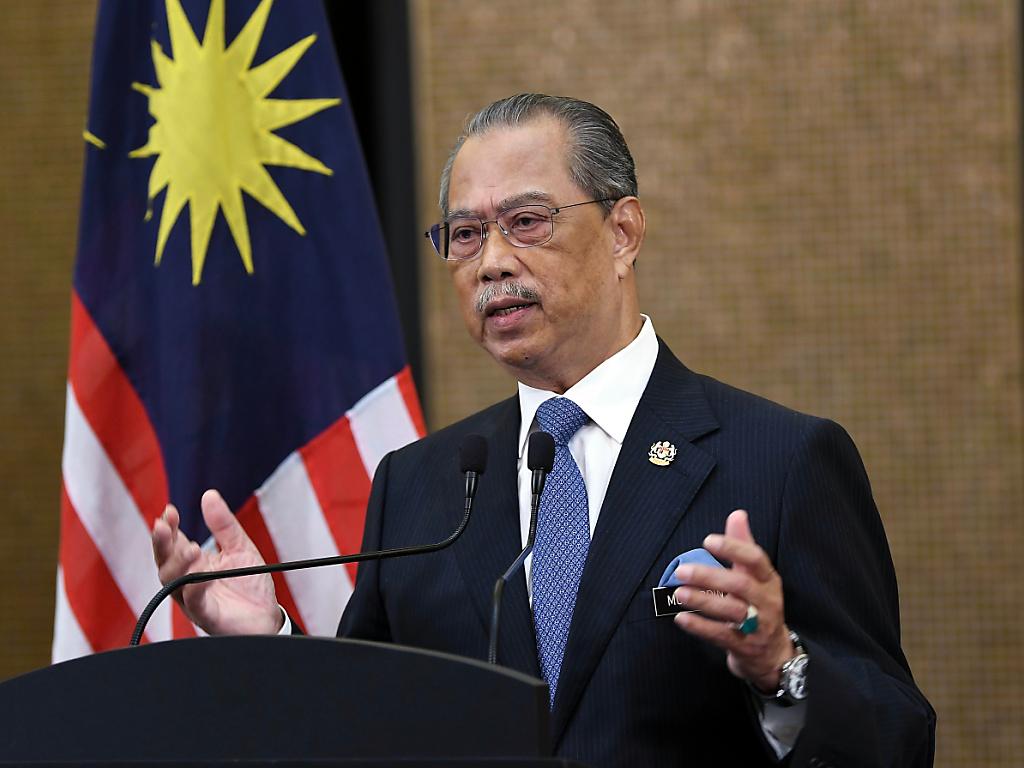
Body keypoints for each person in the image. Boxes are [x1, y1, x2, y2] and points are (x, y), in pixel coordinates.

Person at [153, 94, 936, 767]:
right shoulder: (419, 485)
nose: (491, 262)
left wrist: (779, 664)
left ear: (624, 232)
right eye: (465, 234)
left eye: (526, 222)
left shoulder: (780, 460)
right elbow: (369, 731)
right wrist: (269, 638)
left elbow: (897, 740)